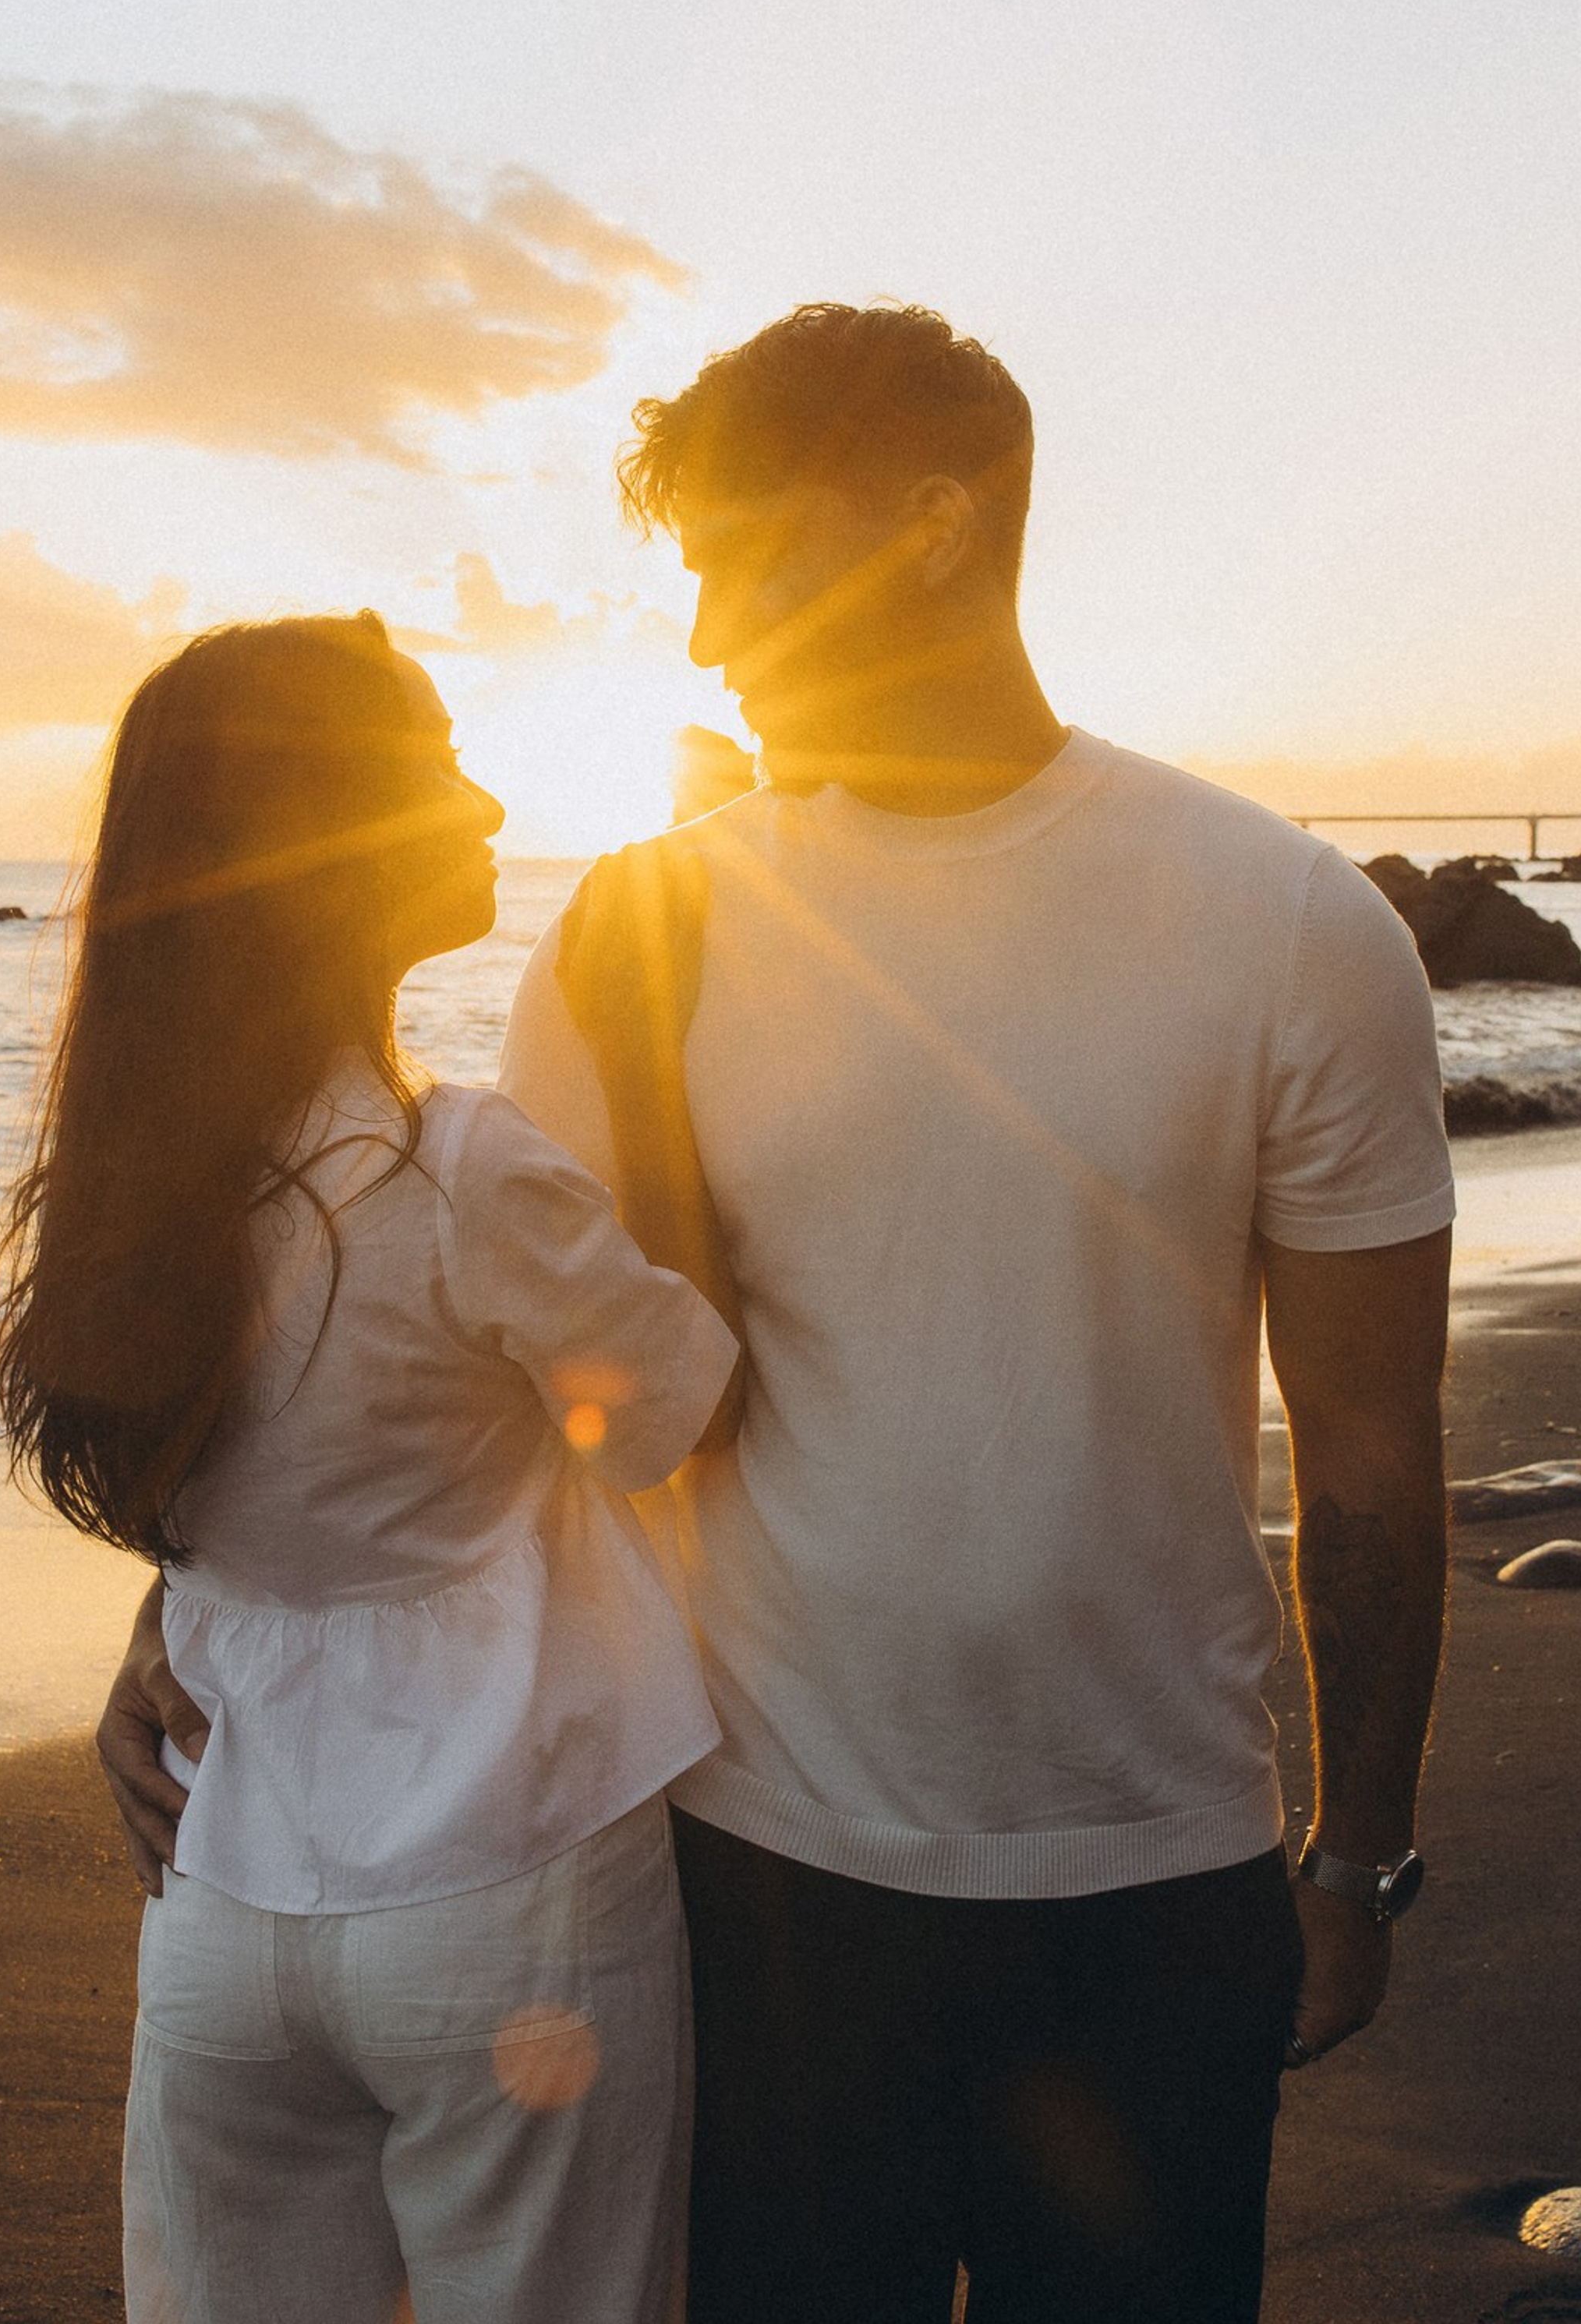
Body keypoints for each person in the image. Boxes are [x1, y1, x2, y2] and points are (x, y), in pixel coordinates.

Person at [99, 308, 1455, 2322]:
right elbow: (486, 1389)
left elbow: (1367, 1453)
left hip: (1157, 1881)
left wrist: (1358, 1854)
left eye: (739, 555)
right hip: (752, 1876)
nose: (709, 631)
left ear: (924, 531)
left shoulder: (1290, 927)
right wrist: (207, 1597)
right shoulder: (649, 926)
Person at [0, 614, 741, 2324]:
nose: (484, 801)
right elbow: (673, 1407)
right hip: (505, 1870)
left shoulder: (128, 1189)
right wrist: (650, 1066)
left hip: (222, 1880)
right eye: (433, 762)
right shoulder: (457, 1162)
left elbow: (227, 1493)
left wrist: (164, 1617)